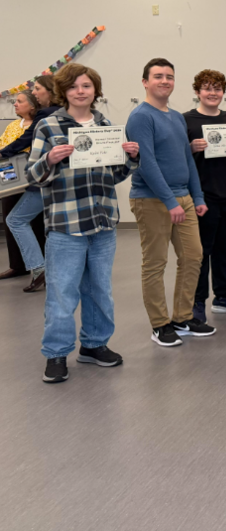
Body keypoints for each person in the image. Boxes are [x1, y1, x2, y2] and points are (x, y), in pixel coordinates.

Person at [25, 63, 140, 383]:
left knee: (100, 290)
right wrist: (50, 159)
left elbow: (113, 175)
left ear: (95, 91)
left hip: (103, 222)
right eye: (74, 86)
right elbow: (32, 175)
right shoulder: (48, 126)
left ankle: (94, 345)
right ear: (64, 91)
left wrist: (130, 157)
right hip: (65, 225)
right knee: (62, 293)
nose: (80, 91)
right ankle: (56, 353)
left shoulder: (105, 125)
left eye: (86, 86)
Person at [127, 58, 214, 347]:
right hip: (152, 200)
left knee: (193, 256)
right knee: (155, 262)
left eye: (169, 76)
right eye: (158, 76)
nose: (165, 81)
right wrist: (169, 201)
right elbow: (147, 163)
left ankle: (182, 317)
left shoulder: (176, 117)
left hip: (184, 198)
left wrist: (196, 196)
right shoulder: (141, 116)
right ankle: (160, 324)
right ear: (145, 82)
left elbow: (187, 158)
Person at [183, 69, 226, 322]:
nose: (212, 93)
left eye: (217, 88)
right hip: (203, 195)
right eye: (207, 88)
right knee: (201, 251)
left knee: (225, 248)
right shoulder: (186, 121)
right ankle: (197, 302)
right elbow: (178, 159)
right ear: (197, 91)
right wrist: (190, 148)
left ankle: (222, 297)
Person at [2, 76, 62, 291]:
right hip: (55, 180)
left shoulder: (46, 114)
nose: (34, 93)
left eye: (37, 89)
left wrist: (2, 154)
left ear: (50, 90)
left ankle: (38, 268)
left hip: (42, 178)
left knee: (16, 220)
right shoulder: (64, 112)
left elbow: (25, 140)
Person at [0, 92, 46, 290]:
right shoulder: (12, 127)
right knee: (10, 217)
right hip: (10, 178)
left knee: (34, 222)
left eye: (20, 101)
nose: (15, 105)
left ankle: (40, 264)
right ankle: (17, 265)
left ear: (33, 106)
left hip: (32, 178)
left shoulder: (40, 125)